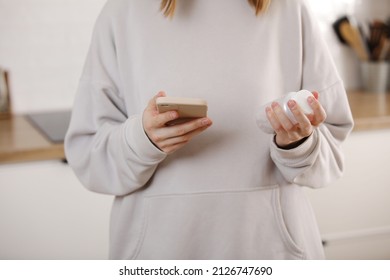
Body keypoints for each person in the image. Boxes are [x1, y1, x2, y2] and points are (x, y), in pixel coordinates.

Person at [65, 0, 354, 260]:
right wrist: (140, 140)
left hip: (270, 251)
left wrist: (297, 145)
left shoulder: (290, 10)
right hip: (160, 255)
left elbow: (331, 144)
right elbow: (88, 155)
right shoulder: (122, 12)